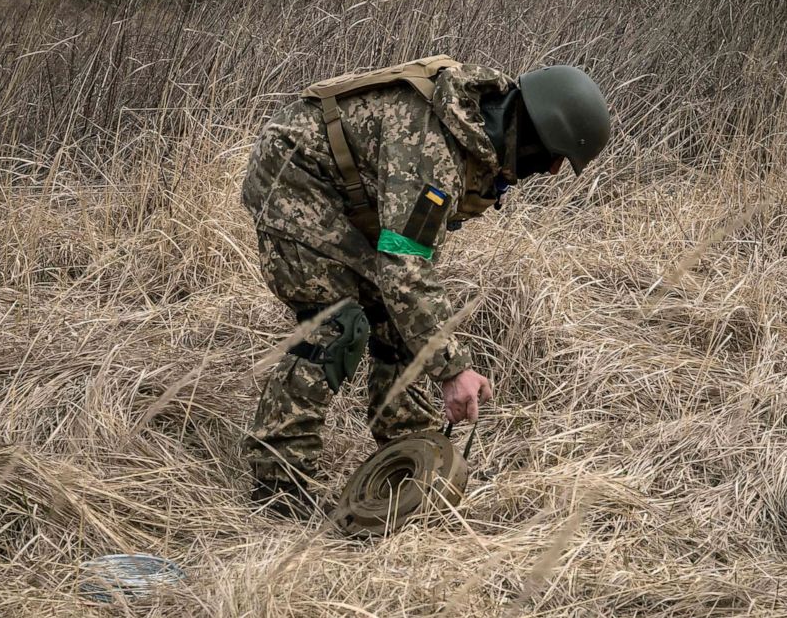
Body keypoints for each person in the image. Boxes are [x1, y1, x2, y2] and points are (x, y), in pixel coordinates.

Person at [241, 55, 610, 518]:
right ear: (535, 134)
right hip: (294, 178)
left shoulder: (475, 129)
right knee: (337, 326)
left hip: (351, 191)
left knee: (400, 324)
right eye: (554, 158)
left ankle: (409, 455)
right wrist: (453, 370)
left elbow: (406, 271)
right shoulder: (432, 153)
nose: (551, 173)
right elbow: (405, 268)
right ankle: (277, 481)